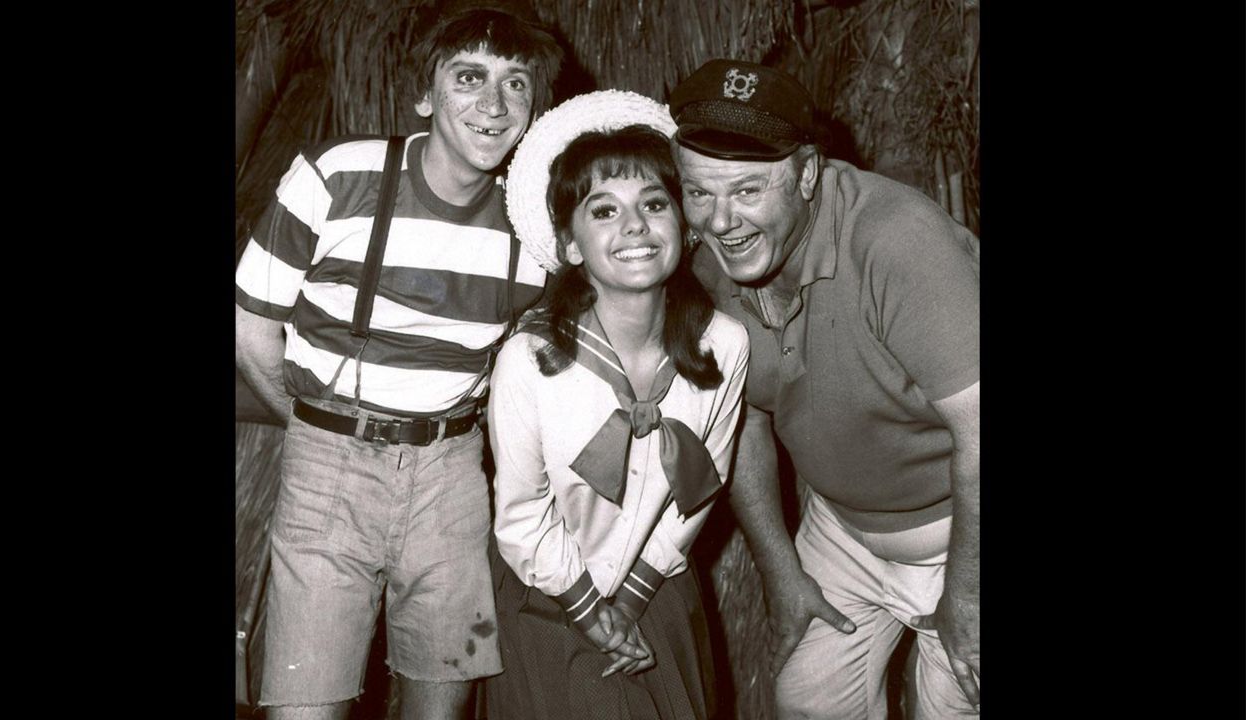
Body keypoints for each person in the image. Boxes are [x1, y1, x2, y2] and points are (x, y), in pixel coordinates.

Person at [232, 4, 562, 718]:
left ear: (535, 110)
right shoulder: (336, 177)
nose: (492, 104)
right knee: (305, 704)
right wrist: (317, 430)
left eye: (515, 85)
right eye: (468, 76)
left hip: (451, 474)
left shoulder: (536, 230)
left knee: (439, 703)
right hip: (329, 470)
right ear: (425, 94)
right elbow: (252, 328)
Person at [668, 59, 981, 719]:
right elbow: (745, 421)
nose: (722, 221)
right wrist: (782, 568)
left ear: (807, 173)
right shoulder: (708, 266)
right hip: (843, 531)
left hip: (962, 533)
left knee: (948, 706)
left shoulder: (899, 244)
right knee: (806, 700)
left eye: (749, 190)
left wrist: (968, 597)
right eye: (699, 193)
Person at [483, 90, 749, 720]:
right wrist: (590, 609)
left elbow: (701, 491)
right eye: (604, 211)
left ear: (683, 230)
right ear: (572, 246)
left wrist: (629, 599)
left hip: (654, 585)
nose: (634, 227)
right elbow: (521, 517)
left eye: (654, 204)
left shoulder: (725, 345)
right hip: (548, 589)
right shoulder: (532, 358)